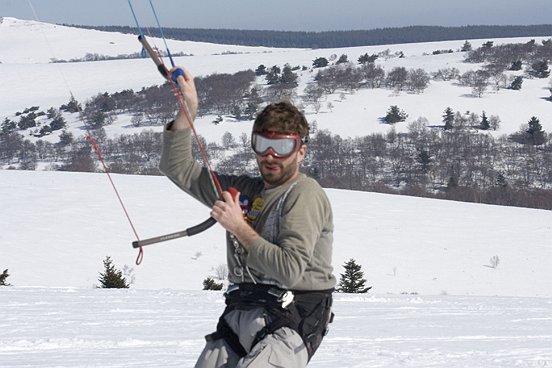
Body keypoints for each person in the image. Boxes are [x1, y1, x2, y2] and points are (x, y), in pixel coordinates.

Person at [159, 67, 336, 368]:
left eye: (282, 147)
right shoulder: (243, 190)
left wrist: (239, 227)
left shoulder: (303, 195)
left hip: (292, 316)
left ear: (301, 150)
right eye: (262, 144)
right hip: (241, 310)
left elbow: (290, 270)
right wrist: (188, 108)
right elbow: (178, 169)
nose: (270, 155)